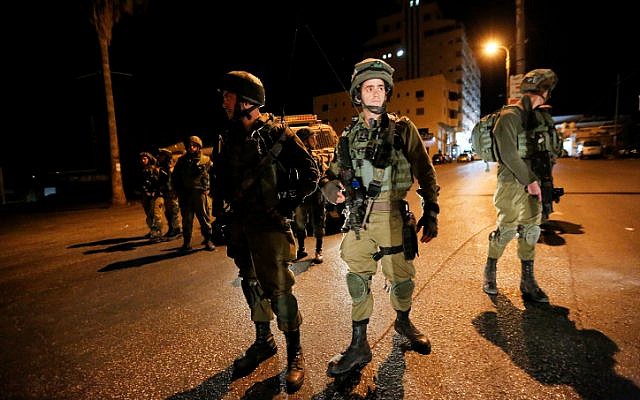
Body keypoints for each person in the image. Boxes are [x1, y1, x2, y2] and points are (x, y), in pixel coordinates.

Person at [319, 58, 440, 377]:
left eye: (381, 88)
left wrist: (432, 210)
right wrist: (336, 193)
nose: (375, 93)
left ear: (387, 93)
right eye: (368, 87)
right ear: (358, 94)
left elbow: (425, 170)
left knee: (401, 279)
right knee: (357, 280)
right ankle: (359, 344)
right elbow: (330, 179)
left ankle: (403, 322)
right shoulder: (346, 137)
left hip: (393, 218)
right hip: (359, 220)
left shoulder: (403, 129)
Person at [212, 70, 319, 393]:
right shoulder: (227, 137)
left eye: (228, 96)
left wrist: (287, 202)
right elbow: (219, 182)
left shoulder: (277, 134)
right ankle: (264, 341)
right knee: (250, 284)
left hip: (270, 226)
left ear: (246, 101)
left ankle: (294, 352)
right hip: (241, 227)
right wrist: (219, 217)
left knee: (280, 290)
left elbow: (311, 172)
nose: (224, 101)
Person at [482, 68, 559, 303]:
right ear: (545, 91)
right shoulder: (510, 115)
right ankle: (490, 270)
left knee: (531, 229)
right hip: (512, 182)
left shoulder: (540, 117)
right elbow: (508, 153)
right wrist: (531, 182)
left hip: (534, 180)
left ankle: (527, 280)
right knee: (506, 229)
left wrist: (543, 182)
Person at [171, 136, 215, 252]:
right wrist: (176, 191)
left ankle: (208, 240)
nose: (191, 148)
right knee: (187, 219)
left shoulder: (205, 160)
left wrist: (210, 189)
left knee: (204, 218)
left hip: (200, 194)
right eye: (189, 146)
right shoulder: (182, 161)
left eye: (194, 146)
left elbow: (213, 175)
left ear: (198, 147)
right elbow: (175, 177)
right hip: (185, 194)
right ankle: (186, 243)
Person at [293, 127, 327, 264]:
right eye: (312, 137)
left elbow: (324, 173)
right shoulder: (296, 158)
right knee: (300, 222)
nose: (315, 140)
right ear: (305, 140)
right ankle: (301, 248)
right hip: (302, 194)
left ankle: (319, 250)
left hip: (316, 194)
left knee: (319, 222)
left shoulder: (316, 157)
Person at [156, 148, 182, 239]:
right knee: (168, 212)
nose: (159, 157)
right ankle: (171, 229)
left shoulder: (170, 168)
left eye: (161, 155)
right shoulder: (163, 168)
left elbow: (171, 182)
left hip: (172, 193)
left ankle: (176, 230)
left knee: (173, 212)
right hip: (166, 193)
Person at [138, 152, 163, 241]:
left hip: (156, 195)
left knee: (157, 214)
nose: (143, 160)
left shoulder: (154, 169)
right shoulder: (142, 170)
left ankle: (158, 232)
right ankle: (153, 231)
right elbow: (141, 183)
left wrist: (155, 192)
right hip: (146, 196)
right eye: (142, 159)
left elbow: (159, 182)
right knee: (149, 215)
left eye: (145, 158)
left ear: (149, 159)